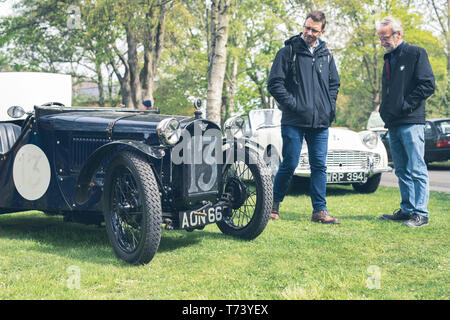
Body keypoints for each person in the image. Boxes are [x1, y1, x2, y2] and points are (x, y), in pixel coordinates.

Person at [267, 10, 340, 224]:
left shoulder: (326, 55)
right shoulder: (288, 52)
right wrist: (294, 105)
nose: (309, 32)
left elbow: (334, 83)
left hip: (320, 122)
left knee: (319, 165)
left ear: (322, 31)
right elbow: (274, 84)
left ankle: (320, 211)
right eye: (307, 27)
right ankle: (272, 205)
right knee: (289, 162)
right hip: (294, 120)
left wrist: (329, 106)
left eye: (314, 30)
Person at [376, 17, 435, 227]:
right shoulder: (388, 59)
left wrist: (404, 106)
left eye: (385, 37)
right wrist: (385, 111)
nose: (382, 41)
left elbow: (427, 85)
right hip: (393, 123)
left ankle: (421, 213)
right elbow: (388, 92)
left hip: (411, 121)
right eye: (380, 38)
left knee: (416, 168)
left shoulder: (416, 53)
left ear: (398, 34)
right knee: (401, 169)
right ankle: (407, 209)